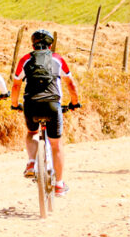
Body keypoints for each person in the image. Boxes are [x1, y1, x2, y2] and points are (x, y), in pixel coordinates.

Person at [10, 29, 81, 196]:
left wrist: (14, 104)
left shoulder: (25, 60)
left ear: (32, 44)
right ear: (50, 45)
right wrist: (74, 103)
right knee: (56, 144)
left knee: (32, 132)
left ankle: (31, 162)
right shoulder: (58, 59)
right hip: (52, 104)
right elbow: (71, 85)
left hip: (31, 104)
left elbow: (15, 85)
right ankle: (59, 184)